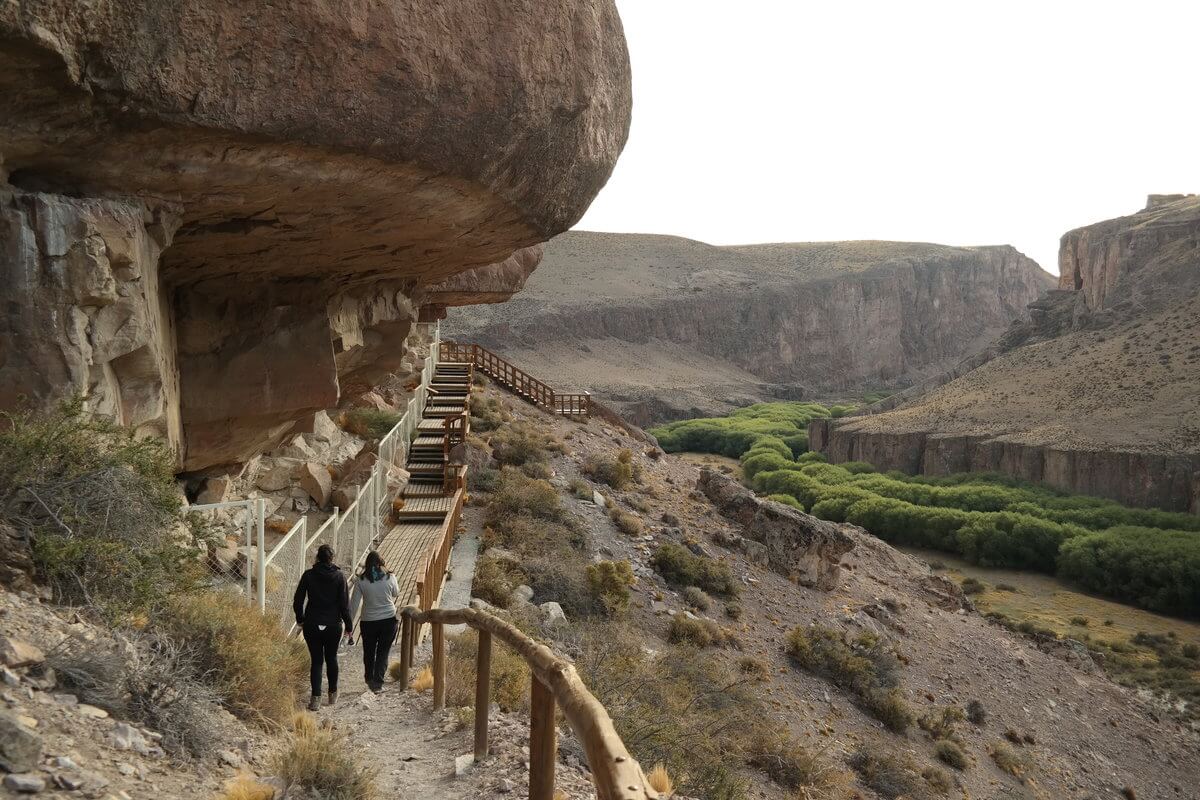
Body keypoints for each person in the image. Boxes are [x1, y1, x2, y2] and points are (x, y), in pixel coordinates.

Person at [293, 544, 352, 711]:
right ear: (332, 558)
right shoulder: (340, 577)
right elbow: (344, 605)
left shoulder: (308, 575)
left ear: (317, 558)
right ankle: (332, 694)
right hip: (333, 624)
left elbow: (298, 601)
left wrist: (300, 619)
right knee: (332, 658)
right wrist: (349, 626)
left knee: (316, 661)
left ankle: (316, 699)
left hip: (312, 623)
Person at [355, 551, 400, 694]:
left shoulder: (361, 580)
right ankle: (378, 683)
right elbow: (396, 593)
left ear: (367, 565)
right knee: (383, 652)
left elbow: (354, 603)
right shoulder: (390, 577)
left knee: (369, 651)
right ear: (382, 563)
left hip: (368, 622)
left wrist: (348, 626)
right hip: (388, 620)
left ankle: (369, 678)